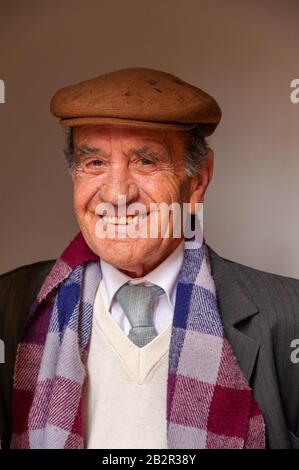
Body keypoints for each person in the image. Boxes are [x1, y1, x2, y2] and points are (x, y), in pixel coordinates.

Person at [0, 68, 299, 450]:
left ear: (198, 180)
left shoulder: (289, 317)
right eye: (94, 163)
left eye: (145, 161)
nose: (117, 193)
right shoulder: (12, 307)